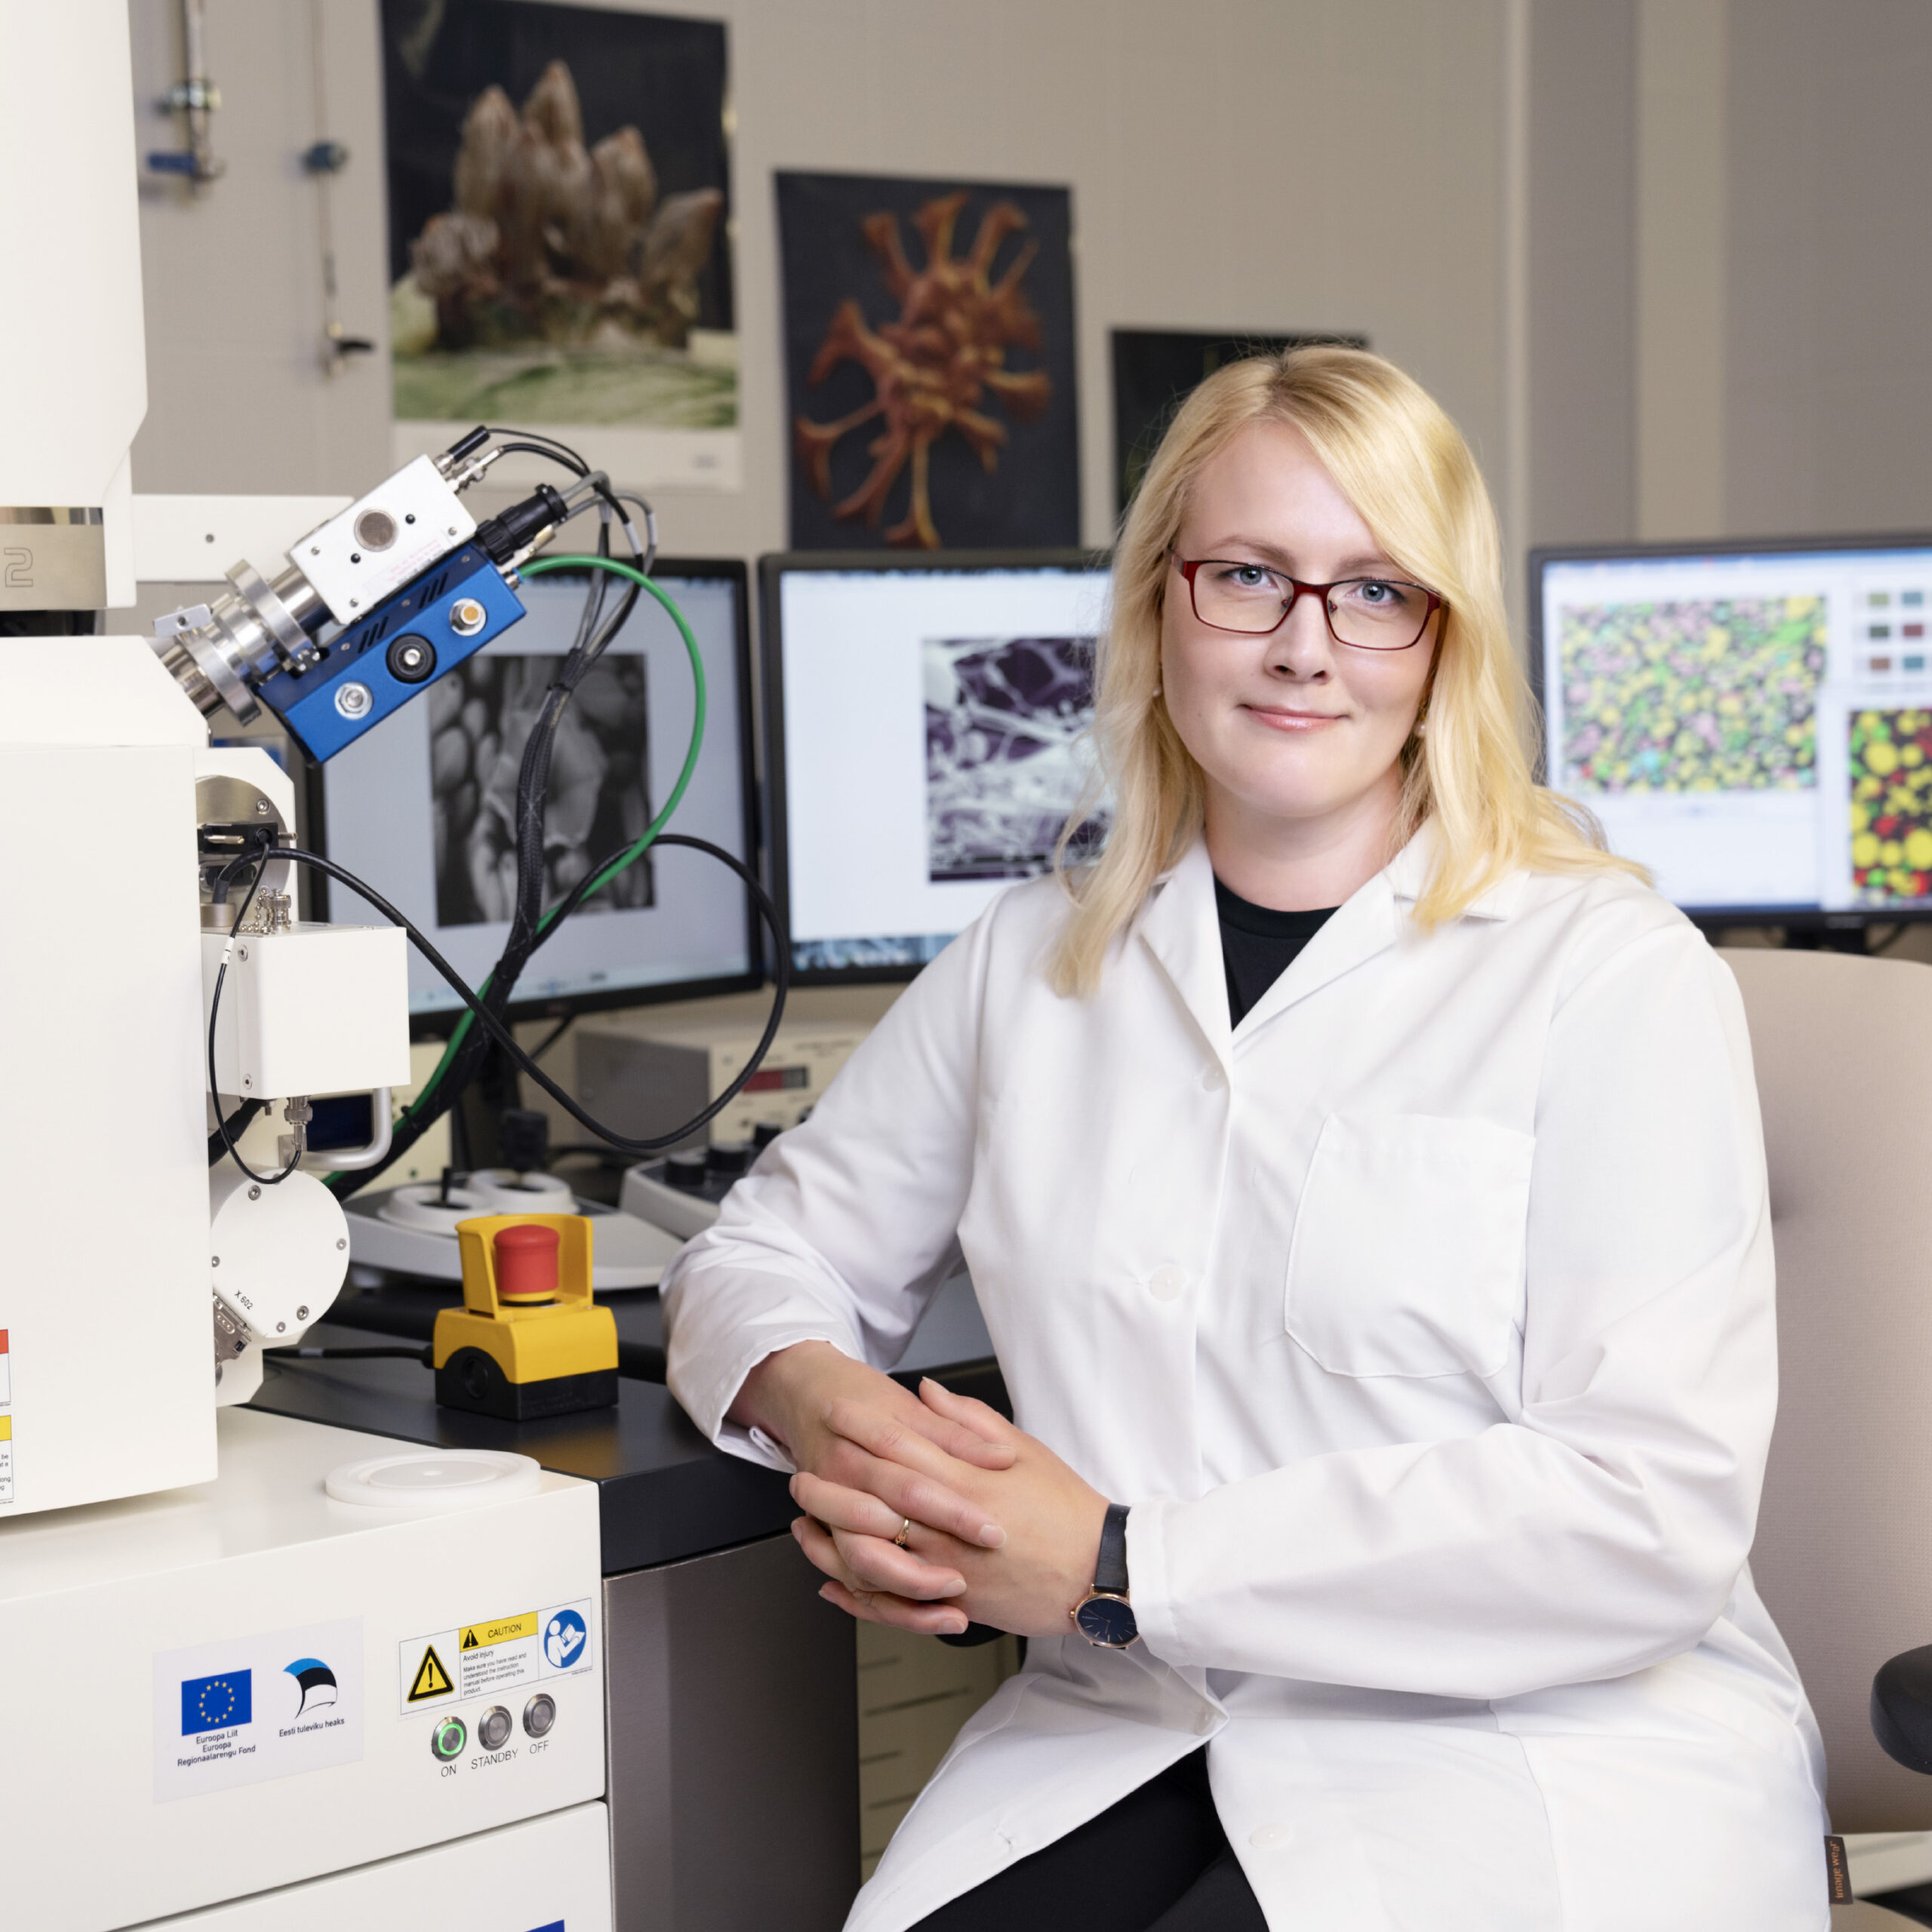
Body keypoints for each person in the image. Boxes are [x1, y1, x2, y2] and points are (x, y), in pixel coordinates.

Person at [662, 347, 1829, 1932]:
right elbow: (754, 1255)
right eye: (1248, 576)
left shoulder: (1608, 973)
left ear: (1443, 642)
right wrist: (843, 1422)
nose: (1303, 644)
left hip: (1529, 1752)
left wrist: (1119, 1560)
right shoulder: (1035, 957)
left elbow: (1645, 1510)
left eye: (1375, 592)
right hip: (1132, 1726)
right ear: (1161, 602)